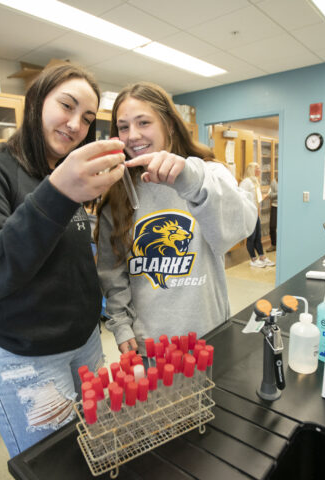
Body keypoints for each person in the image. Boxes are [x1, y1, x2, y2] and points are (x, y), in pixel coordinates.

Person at [0, 64, 126, 457]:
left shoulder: (66, 173)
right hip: (23, 355)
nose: (77, 124)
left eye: (88, 118)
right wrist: (57, 193)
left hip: (85, 344)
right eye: (67, 105)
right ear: (36, 101)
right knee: (55, 463)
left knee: (96, 445)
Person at [95, 82, 257, 354]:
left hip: (207, 336)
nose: (133, 135)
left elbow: (241, 227)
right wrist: (121, 325)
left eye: (143, 122)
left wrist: (192, 180)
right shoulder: (118, 189)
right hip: (149, 345)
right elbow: (113, 271)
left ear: (169, 124)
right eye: (123, 127)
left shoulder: (209, 172)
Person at [239, 162, 275, 268]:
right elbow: (241, 197)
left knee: (258, 236)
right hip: (249, 213)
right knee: (252, 237)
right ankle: (253, 259)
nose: (260, 170)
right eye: (258, 168)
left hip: (255, 213)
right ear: (252, 170)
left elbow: (256, 198)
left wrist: (263, 197)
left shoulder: (255, 182)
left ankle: (262, 257)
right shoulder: (246, 182)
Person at [266, 175, 278, 251]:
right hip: (275, 206)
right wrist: (279, 193)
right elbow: (270, 195)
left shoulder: (287, 182)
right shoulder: (273, 182)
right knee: (272, 226)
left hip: (285, 207)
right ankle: (273, 245)